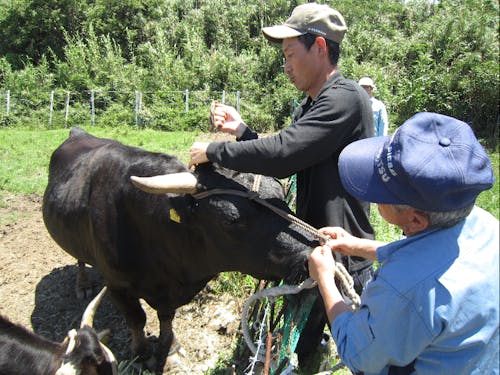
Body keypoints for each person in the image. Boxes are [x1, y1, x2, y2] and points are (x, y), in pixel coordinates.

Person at [189, 2, 375, 362]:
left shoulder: (345, 99)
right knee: (304, 345)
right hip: (314, 244)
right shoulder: (311, 105)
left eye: (290, 54)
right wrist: (242, 132)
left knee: (366, 355)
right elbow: (291, 158)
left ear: (319, 47)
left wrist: (215, 151)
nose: (285, 66)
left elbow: (283, 153)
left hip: (345, 252)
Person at [308, 112, 499, 374]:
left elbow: (356, 353)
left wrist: (325, 279)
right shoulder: (483, 223)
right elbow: (429, 256)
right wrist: (355, 244)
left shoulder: (406, 293)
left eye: (380, 193)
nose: (375, 199)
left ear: (416, 220)